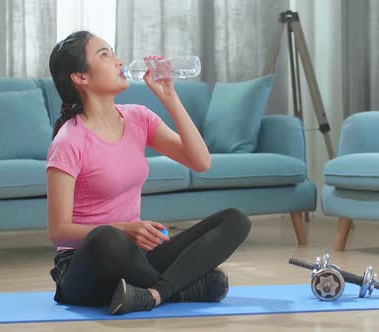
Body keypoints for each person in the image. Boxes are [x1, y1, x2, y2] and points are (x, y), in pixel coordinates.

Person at [46, 31, 251, 315]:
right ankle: (182, 286)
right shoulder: (69, 140)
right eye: (104, 55)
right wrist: (125, 229)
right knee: (108, 237)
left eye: (113, 52)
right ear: (81, 77)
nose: (118, 61)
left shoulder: (138, 117)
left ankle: (153, 294)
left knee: (235, 220)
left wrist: (169, 96)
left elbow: (201, 161)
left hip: (137, 256)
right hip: (87, 264)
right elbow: (59, 233)